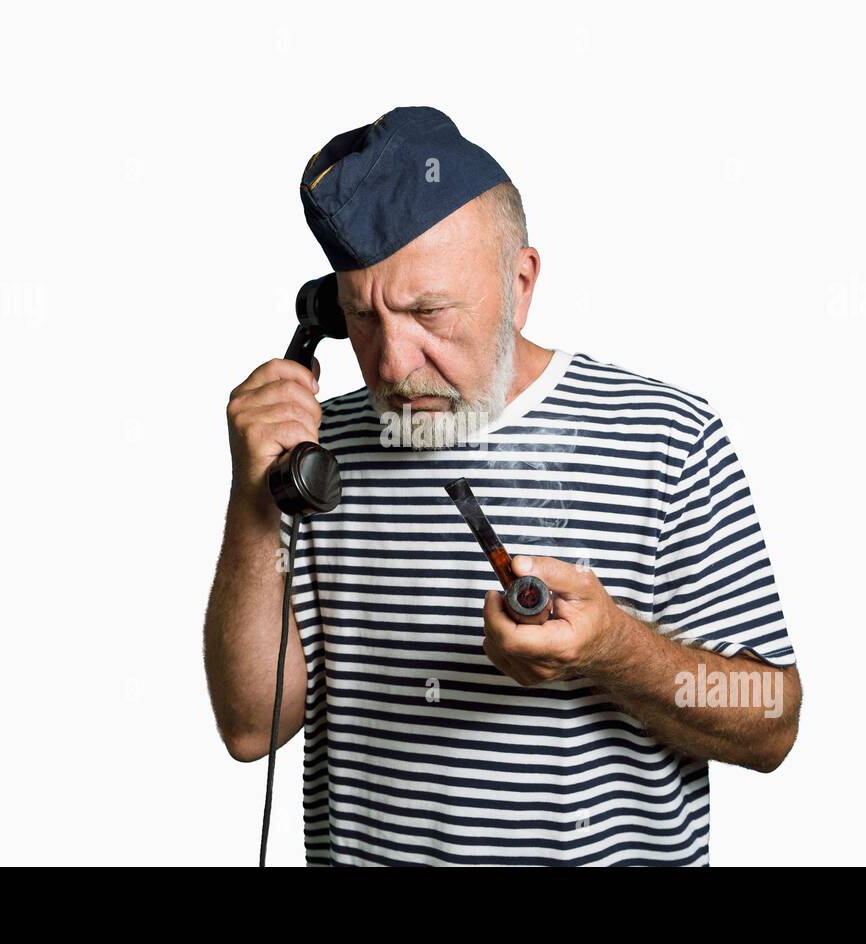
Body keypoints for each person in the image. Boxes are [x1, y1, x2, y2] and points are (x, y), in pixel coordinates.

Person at [204, 107, 801, 866]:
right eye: (361, 318)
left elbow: (769, 723)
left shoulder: (669, 437)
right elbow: (252, 728)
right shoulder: (311, 460)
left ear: (519, 283)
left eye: (428, 313)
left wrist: (615, 651)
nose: (391, 365)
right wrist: (255, 497)